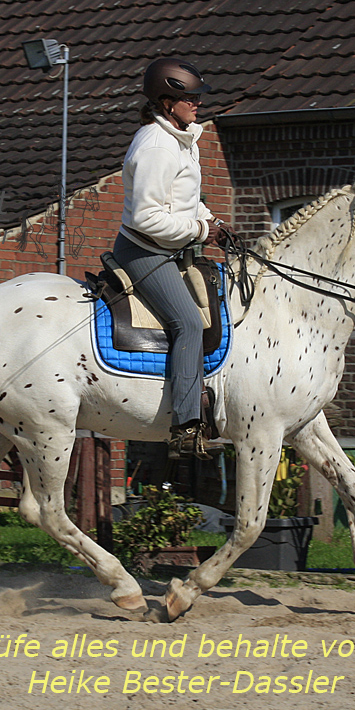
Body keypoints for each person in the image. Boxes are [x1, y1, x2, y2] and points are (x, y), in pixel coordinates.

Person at [111, 57, 230, 460]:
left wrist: (213, 221)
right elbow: (147, 217)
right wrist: (200, 232)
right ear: (166, 103)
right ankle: (185, 425)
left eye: (197, 97)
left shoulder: (181, 139)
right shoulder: (158, 146)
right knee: (189, 322)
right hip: (144, 251)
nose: (197, 104)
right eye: (189, 98)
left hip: (169, 247)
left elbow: (183, 201)